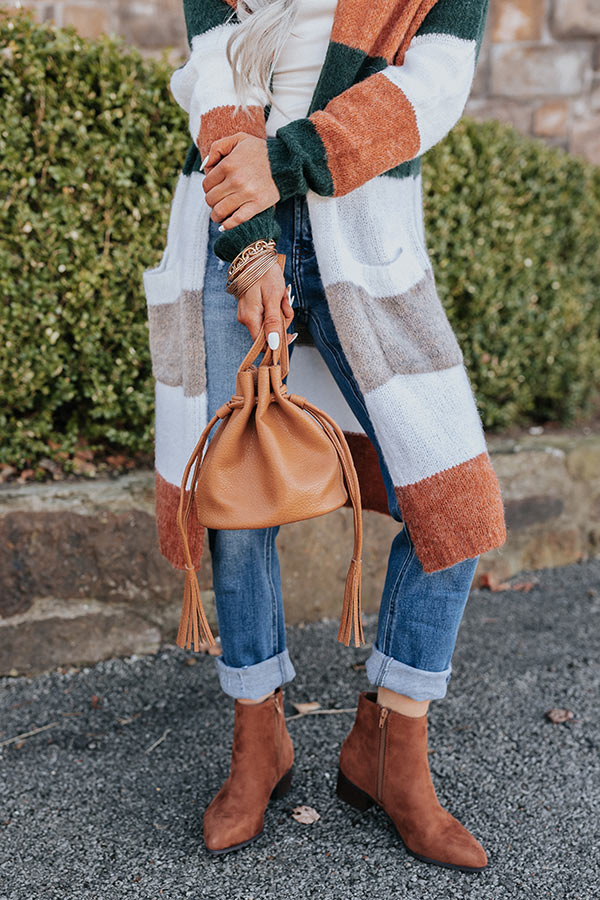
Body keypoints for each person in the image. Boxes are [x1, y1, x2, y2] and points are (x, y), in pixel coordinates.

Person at [143, 0, 506, 872]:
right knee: (236, 495)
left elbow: (434, 86)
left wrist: (290, 160)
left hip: (360, 223)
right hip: (233, 218)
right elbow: (215, 66)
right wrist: (253, 245)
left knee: (452, 496)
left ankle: (389, 747)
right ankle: (258, 740)